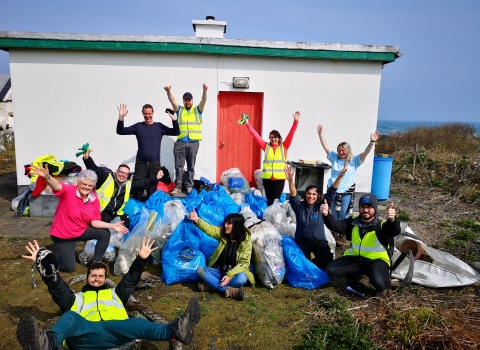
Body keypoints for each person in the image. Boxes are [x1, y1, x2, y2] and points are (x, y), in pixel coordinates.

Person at [16, 238, 201, 349]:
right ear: (87, 278)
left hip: (116, 332)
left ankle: (176, 330)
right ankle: (46, 343)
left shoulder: (115, 294)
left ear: (105, 279)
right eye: (93, 275)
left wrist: (141, 260)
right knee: (70, 317)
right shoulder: (76, 298)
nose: (97, 279)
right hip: (84, 337)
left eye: (100, 276)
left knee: (136, 322)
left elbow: (130, 280)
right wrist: (47, 272)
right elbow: (57, 287)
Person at [32, 165, 129, 272]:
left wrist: (112, 226)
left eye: (90, 185)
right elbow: (57, 186)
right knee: (69, 267)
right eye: (84, 184)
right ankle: (45, 256)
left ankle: (96, 263)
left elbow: (94, 221)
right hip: (63, 234)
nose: (86, 187)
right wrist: (47, 177)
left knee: (104, 234)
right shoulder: (69, 191)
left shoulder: (93, 198)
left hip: (80, 230)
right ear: (78, 182)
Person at [320, 193, 401, 295]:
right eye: (362, 207)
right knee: (330, 270)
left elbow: (395, 230)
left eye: (369, 207)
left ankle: (378, 280)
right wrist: (326, 214)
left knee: (381, 283)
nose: (365, 210)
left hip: (377, 262)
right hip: (356, 259)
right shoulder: (353, 223)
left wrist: (393, 220)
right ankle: (355, 276)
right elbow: (336, 226)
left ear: (375, 209)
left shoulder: (382, 226)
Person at [285, 163, 347, 270]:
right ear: (305, 194)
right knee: (298, 263)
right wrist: (290, 180)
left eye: (314, 194)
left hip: (319, 241)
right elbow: (294, 195)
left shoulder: (321, 205)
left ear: (318, 196)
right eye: (309, 193)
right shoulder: (299, 206)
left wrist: (340, 176)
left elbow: (332, 192)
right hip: (302, 241)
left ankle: (312, 263)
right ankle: (306, 259)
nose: (311, 196)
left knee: (326, 262)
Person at [83, 149, 165, 227]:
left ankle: (117, 239)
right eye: (121, 172)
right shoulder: (106, 177)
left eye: (125, 174)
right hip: (100, 211)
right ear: (117, 171)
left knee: (126, 221)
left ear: (128, 175)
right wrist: (87, 160)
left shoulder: (128, 185)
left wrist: (156, 178)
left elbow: (143, 184)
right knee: (106, 219)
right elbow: (95, 170)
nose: (122, 175)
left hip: (115, 213)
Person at [116, 104, 180, 201]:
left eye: (149, 113)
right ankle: (138, 213)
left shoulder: (159, 127)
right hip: (141, 164)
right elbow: (120, 131)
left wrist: (174, 119)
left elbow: (176, 132)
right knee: (138, 191)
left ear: (153, 113)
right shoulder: (138, 126)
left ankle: (150, 213)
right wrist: (121, 118)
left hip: (155, 164)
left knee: (152, 193)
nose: (147, 116)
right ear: (142, 113)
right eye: (145, 113)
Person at [316, 125, 381, 220]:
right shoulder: (335, 158)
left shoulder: (354, 161)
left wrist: (372, 142)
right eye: (339, 150)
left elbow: (365, 153)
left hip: (347, 192)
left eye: (343, 150)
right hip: (333, 190)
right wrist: (320, 134)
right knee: (333, 215)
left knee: (343, 216)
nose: (340, 152)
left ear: (348, 150)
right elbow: (326, 147)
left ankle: (342, 234)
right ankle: (334, 233)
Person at [188, 209, 254, 301]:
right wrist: (197, 220)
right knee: (200, 270)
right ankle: (229, 291)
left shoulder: (245, 242)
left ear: (237, 226)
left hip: (233, 274)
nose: (225, 225)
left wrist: (229, 275)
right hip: (218, 271)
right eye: (225, 222)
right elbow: (210, 229)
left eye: (229, 224)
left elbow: (244, 263)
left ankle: (211, 286)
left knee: (242, 278)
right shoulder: (223, 234)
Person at [244, 111, 300, 206]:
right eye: (270, 137)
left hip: (279, 179)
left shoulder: (284, 146)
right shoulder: (266, 146)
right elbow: (255, 136)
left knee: (275, 200)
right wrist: (247, 124)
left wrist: (296, 122)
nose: (272, 139)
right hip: (267, 178)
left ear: (279, 138)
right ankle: (269, 218)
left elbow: (291, 134)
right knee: (269, 200)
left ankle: (275, 218)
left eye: (274, 137)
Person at [164, 84, 208, 195]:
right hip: (180, 143)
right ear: (183, 101)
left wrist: (204, 91)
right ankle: (178, 187)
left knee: (191, 167)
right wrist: (168, 92)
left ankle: (189, 186)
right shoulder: (179, 110)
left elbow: (204, 100)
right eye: (185, 100)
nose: (187, 102)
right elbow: (172, 101)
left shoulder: (198, 110)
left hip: (193, 143)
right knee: (179, 166)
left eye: (189, 100)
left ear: (192, 101)